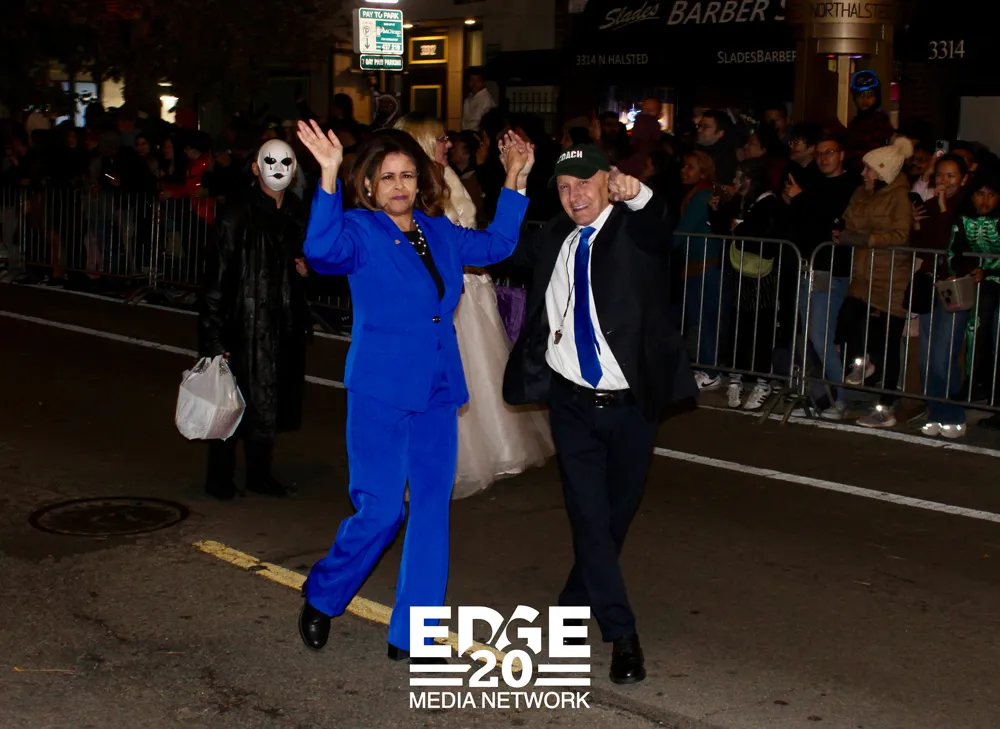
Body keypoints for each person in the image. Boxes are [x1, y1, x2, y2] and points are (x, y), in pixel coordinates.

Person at [294, 120, 532, 660]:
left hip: (438, 389)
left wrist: (514, 178)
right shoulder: (359, 230)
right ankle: (324, 592)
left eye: (407, 175)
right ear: (369, 185)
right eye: (387, 177)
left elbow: (497, 245)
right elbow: (322, 251)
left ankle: (414, 630)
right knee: (381, 512)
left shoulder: (437, 229)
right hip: (380, 389)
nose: (399, 186)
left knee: (430, 510)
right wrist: (327, 175)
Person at [503, 144, 697, 684]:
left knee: (613, 519)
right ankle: (621, 634)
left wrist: (640, 194)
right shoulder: (554, 237)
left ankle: (572, 601)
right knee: (588, 517)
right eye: (564, 188)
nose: (574, 196)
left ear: (607, 182)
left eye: (584, 183)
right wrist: (514, 180)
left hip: (631, 407)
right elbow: (505, 248)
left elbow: (660, 224)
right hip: (570, 403)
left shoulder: (632, 229)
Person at [393, 112, 555, 498]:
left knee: (477, 373)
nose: (448, 144)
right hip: (436, 302)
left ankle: (485, 451)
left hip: (469, 280)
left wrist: (515, 176)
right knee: (441, 382)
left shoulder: (444, 176)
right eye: (441, 138)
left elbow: (492, 243)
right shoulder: (411, 195)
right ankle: (431, 465)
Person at [199, 139, 310, 500]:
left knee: (268, 400)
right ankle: (219, 478)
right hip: (243, 323)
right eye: (270, 161)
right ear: (255, 167)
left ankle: (260, 474)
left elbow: (311, 260)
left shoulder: (296, 211)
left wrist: (309, 270)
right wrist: (214, 338)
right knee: (231, 401)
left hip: (281, 322)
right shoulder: (237, 212)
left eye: (286, 162)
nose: (278, 169)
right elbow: (216, 277)